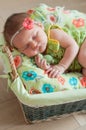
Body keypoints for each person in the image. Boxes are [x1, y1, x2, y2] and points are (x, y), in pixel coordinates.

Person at [3, 4, 86, 78]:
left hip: (82, 43)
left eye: (35, 36)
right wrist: (48, 68)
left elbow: (73, 46)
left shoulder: (53, 34)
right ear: (20, 51)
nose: (34, 45)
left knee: (83, 57)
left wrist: (62, 66)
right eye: (26, 46)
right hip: (80, 65)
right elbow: (56, 68)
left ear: (40, 26)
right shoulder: (38, 58)